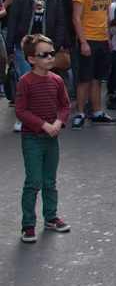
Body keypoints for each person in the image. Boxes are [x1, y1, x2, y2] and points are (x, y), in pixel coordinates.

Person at [15, 33, 71, 243]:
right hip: (32, 139)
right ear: (31, 59)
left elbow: (65, 105)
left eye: (51, 53)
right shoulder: (25, 81)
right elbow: (20, 111)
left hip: (51, 139)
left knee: (50, 181)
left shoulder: (56, 80)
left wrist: (58, 122)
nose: (50, 58)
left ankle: (51, 217)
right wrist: (43, 125)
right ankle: (28, 224)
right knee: (33, 182)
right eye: (44, 54)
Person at [6, 0, 69, 132]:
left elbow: (60, 23)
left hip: (46, 48)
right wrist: (10, 49)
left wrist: (55, 46)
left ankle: (40, 116)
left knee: (43, 82)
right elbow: (13, 23)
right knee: (24, 81)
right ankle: (22, 117)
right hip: (24, 46)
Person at [72, 0, 116, 128]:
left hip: (102, 40)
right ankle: (80, 113)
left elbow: (106, 16)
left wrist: (108, 38)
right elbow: (76, 18)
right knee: (85, 79)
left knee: (97, 79)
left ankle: (97, 112)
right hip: (88, 40)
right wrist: (83, 42)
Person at [60, 0, 92, 98]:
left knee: (92, 74)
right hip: (74, 38)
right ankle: (82, 104)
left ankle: (91, 104)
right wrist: (66, 41)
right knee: (78, 73)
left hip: (93, 35)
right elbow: (63, 18)